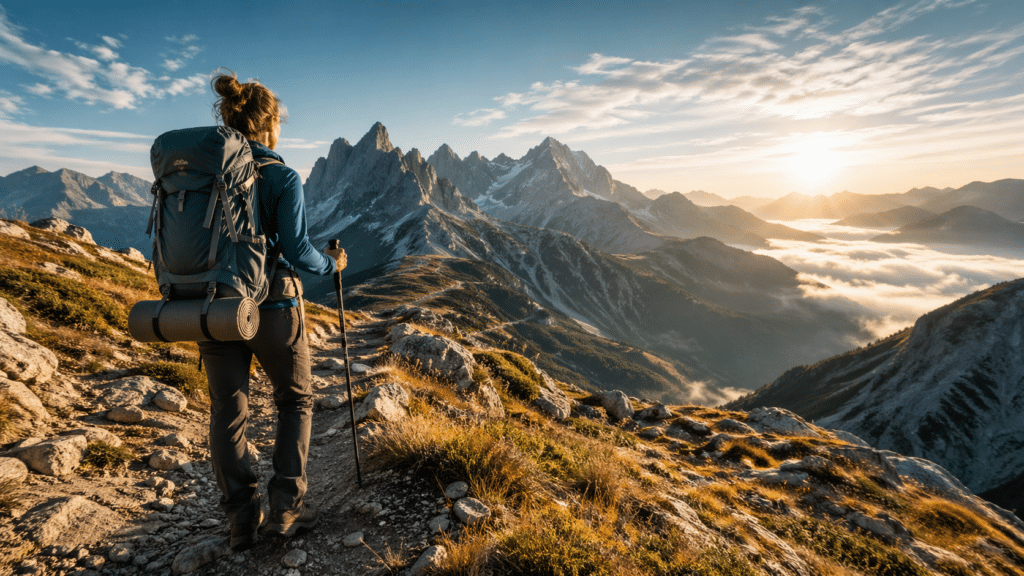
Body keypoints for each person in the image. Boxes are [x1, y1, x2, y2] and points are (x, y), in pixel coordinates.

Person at [200, 69, 346, 551]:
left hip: (213, 307)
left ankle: (241, 520)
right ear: (268, 125)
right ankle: (285, 510)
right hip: (273, 307)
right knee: (294, 400)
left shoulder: (204, 176)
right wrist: (332, 263)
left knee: (228, 409)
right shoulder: (281, 176)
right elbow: (299, 250)